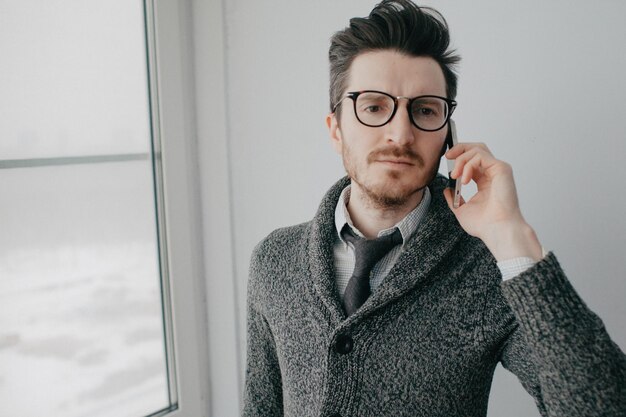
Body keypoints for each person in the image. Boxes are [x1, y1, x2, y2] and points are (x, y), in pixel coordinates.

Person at [242, 1, 626, 416]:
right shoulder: (273, 260)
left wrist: (512, 236)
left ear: (448, 134)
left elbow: (604, 406)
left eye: (424, 110)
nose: (401, 133)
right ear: (336, 129)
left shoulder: (489, 267)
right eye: (374, 106)